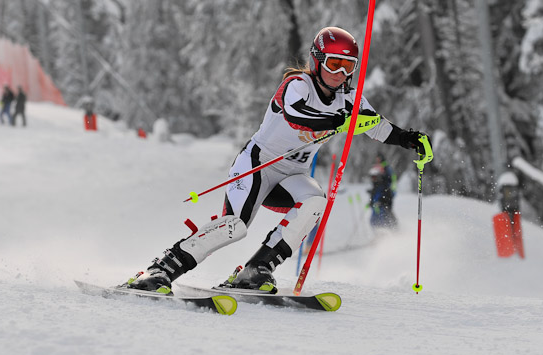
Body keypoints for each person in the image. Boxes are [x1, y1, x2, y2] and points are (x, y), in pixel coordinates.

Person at [125, 27, 432, 294]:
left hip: (292, 173)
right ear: (317, 61)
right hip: (257, 165)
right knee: (235, 226)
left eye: (347, 66)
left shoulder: (349, 99)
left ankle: (255, 270)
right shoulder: (298, 85)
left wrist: (408, 139)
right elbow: (299, 116)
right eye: (334, 63)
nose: (340, 74)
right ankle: (162, 269)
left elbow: (378, 126)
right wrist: (340, 120)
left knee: (315, 201)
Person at [368, 155, 397, 229]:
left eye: (374, 177)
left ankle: (389, 232)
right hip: (379, 203)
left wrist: (382, 201)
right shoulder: (376, 185)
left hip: (385, 201)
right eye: (372, 177)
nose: (373, 179)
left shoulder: (386, 168)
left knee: (384, 218)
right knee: (374, 220)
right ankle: (379, 234)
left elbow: (391, 181)